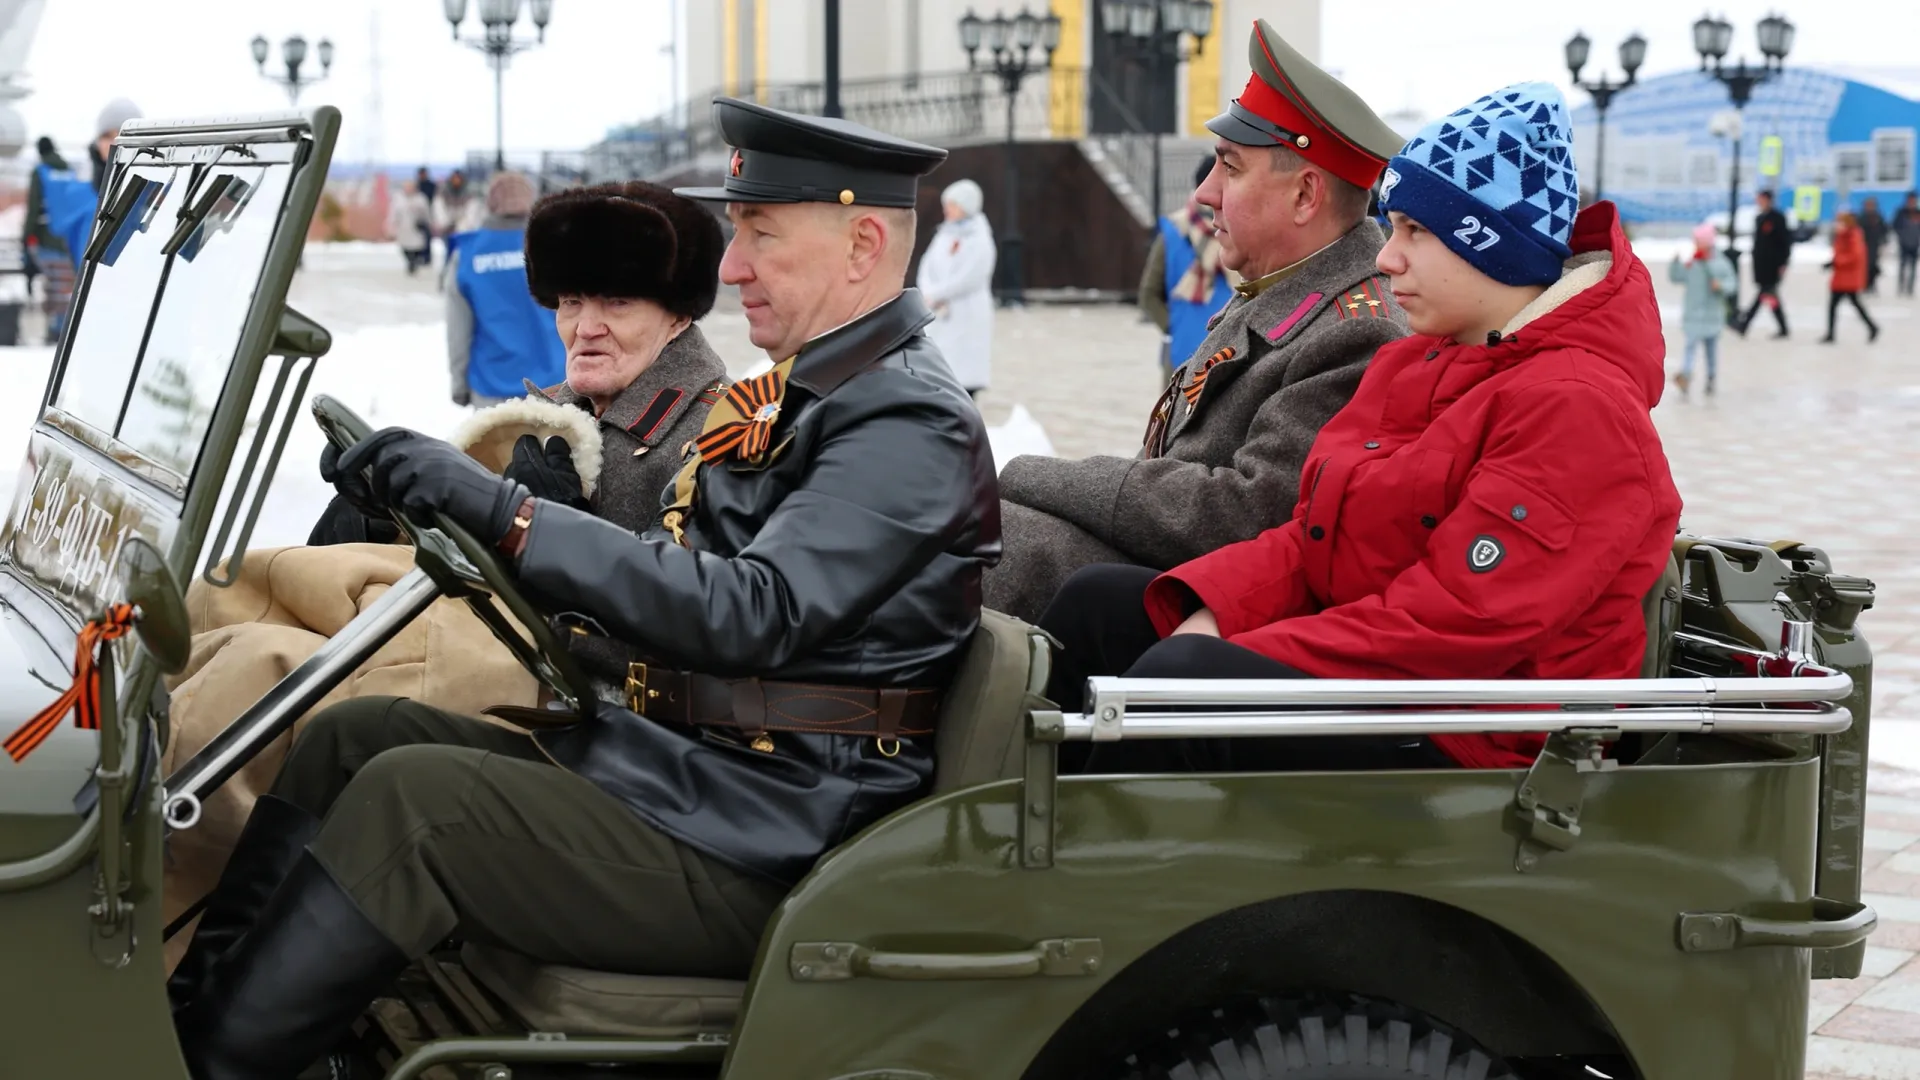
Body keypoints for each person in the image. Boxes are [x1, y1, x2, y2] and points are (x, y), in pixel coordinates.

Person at [169, 97, 1000, 1080]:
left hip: (778, 828)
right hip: (689, 774)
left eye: (759, 236)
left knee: (415, 802)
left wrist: (513, 516)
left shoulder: (905, 417)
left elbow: (754, 610)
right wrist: (488, 522)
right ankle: (191, 1021)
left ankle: (218, 1066)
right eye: (736, 234)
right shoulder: (808, 391)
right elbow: (674, 556)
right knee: (361, 734)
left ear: (862, 245)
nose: (730, 269)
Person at [162, 180, 732, 970]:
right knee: (221, 606)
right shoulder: (564, 408)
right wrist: (382, 506)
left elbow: (696, 611)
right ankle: (212, 958)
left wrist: (556, 527)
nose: (582, 326)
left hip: (579, 702)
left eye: (615, 303)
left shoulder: (716, 432)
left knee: (265, 677)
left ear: (678, 311)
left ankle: (163, 942)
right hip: (492, 639)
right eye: (568, 300)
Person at [1039, 82, 1682, 777]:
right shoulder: (1421, 363)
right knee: (1098, 604)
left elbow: (1459, 626)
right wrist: (1217, 607)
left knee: (1183, 681)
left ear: (1492, 250)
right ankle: (1021, 819)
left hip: (1476, 735)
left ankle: (1098, 867)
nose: (1385, 257)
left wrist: (1247, 650)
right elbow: (1318, 538)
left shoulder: (1577, 408)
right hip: (1398, 680)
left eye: (1416, 232)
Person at [985, 19, 1408, 624]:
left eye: (1230, 168)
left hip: (1201, 617)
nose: (1206, 192)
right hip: (1161, 582)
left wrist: (1028, 474)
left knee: (986, 544)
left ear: (1305, 196)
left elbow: (1244, 516)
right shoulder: (1288, 287)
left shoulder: (1355, 331)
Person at [444, 171, 566, 407]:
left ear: (491, 203)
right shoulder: (555, 247)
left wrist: (459, 383)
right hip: (554, 387)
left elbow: (458, 329)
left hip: (491, 389)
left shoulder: (467, 255)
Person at [1139, 157, 1235, 377]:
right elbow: (1149, 294)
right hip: (1184, 358)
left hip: (1232, 354)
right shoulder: (1174, 232)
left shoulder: (1245, 231)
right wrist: (1175, 328)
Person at [915, 178, 997, 398]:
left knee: (964, 368)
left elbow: (971, 276)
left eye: (951, 205)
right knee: (941, 365)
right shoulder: (944, 234)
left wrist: (940, 293)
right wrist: (928, 291)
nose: (947, 210)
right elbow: (927, 264)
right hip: (939, 311)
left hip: (966, 312)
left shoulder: (980, 239)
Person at [24, 136, 85, 345]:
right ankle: (61, 330)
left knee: (53, 285)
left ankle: (56, 332)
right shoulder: (69, 171)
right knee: (64, 285)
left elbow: (33, 209)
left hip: (45, 238)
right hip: (68, 239)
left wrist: (27, 237)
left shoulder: (40, 172)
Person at [1669, 222, 1736, 398]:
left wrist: (1720, 285)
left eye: (1698, 240)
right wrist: (1675, 263)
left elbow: (1732, 284)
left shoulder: (1721, 263)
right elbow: (1677, 277)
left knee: (1711, 350)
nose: (1696, 244)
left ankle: (1711, 378)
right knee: (1690, 346)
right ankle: (1686, 377)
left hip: (1712, 315)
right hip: (1693, 314)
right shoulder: (1693, 263)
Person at [1736, 189, 1792, 338]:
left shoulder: (1778, 218)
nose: (1758, 202)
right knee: (1769, 295)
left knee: (1764, 294)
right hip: (1761, 265)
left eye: (1761, 199)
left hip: (1772, 266)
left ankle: (1745, 324)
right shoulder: (1759, 218)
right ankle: (1783, 327)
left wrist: (1783, 262)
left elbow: (1785, 242)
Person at [1823, 210, 1879, 344]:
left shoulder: (1853, 236)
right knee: (1845, 305)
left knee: (1843, 305)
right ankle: (1871, 327)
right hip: (1842, 277)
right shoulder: (1843, 236)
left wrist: (1837, 262)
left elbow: (1854, 256)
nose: (1837, 225)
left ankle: (1871, 327)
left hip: (1848, 278)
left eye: (1840, 222)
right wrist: (1832, 262)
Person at [88, 98, 140, 195]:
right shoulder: (76, 196)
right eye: (107, 136)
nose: (114, 143)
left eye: (122, 136)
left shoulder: (156, 196)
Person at [387, 179, 432, 275]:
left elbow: (426, 213)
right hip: (403, 227)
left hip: (416, 226)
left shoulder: (420, 198)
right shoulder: (398, 198)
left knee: (417, 246)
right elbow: (393, 212)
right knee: (405, 247)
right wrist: (392, 223)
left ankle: (414, 262)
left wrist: (427, 222)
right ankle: (410, 261)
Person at [1892, 191, 1920, 298]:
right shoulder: (1901, 212)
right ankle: (1901, 287)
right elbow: (1895, 225)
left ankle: (1910, 288)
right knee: (1903, 266)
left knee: (1913, 267)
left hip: (1915, 243)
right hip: (1903, 243)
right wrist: (1901, 235)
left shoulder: (1918, 212)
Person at [1860, 195, 1888, 295]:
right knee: (1865, 266)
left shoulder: (1878, 217)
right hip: (1864, 245)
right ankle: (1865, 284)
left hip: (1875, 245)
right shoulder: (1861, 217)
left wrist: (1884, 240)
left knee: (1873, 266)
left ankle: (1872, 284)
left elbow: (1884, 229)